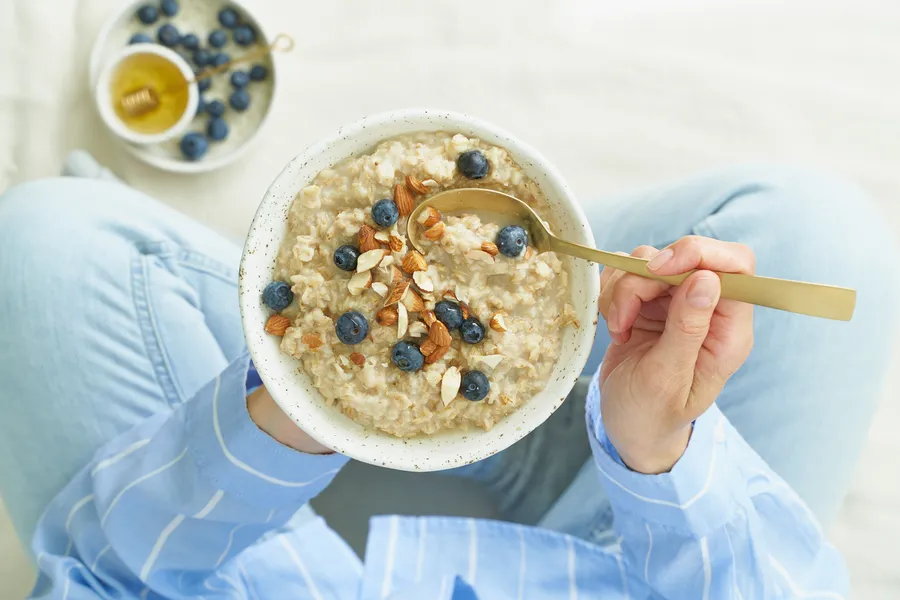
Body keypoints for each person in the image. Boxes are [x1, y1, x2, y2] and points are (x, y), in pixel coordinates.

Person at [0, 153, 895, 599]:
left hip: (267, 575)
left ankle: (250, 316)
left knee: (41, 245)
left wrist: (305, 406)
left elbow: (102, 575)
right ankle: (547, 335)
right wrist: (655, 449)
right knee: (823, 240)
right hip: (601, 559)